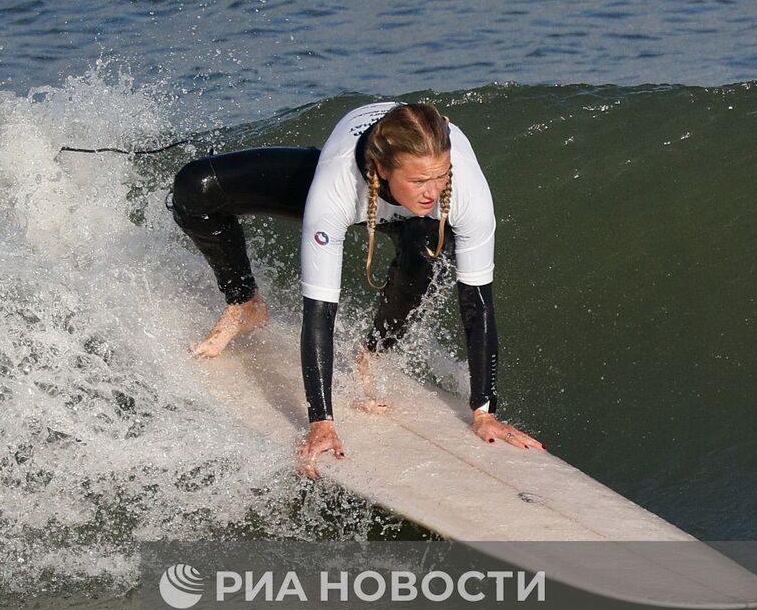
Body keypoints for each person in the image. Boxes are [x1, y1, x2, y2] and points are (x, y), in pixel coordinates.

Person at [170, 100, 545, 479]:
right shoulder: (337, 185)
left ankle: (374, 352)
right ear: (382, 169)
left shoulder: (464, 190)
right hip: (355, 186)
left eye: (440, 176)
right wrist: (322, 422)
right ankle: (244, 303)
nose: (433, 192)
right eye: (418, 181)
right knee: (195, 186)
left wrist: (485, 412)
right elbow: (319, 309)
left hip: (414, 220)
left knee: (427, 248)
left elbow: (478, 305)